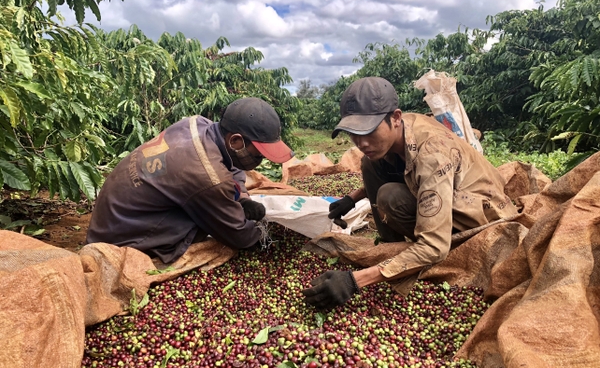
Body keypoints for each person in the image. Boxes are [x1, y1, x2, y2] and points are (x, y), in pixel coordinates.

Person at [302, 77, 518, 310]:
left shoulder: (431, 155)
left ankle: (401, 262)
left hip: (481, 217)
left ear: (395, 118)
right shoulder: (404, 128)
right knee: (370, 164)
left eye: (369, 131)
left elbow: (435, 246)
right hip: (446, 194)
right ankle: (390, 248)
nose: (361, 142)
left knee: (390, 197)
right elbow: (405, 172)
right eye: (354, 133)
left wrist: (355, 281)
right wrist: (351, 199)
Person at [86, 97, 294, 263]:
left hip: (114, 214)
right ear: (236, 141)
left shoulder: (198, 124)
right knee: (208, 221)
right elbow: (239, 235)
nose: (259, 161)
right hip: (120, 238)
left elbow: (233, 167)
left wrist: (244, 197)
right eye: (258, 155)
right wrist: (267, 237)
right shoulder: (207, 177)